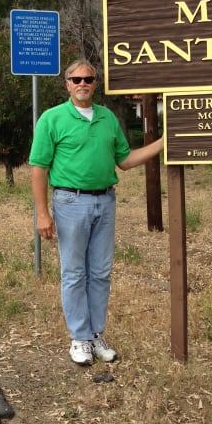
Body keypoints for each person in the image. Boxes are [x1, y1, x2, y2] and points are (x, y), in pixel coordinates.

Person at [29, 59, 164, 366]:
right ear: (67, 84)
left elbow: (126, 161)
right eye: (75, 79)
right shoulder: (52, 119)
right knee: (74, 273)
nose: (82, 84)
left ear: (95, 83)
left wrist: (164, 144)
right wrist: (42, 213)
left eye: (88, 79)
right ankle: (78, 337)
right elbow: (38, 168)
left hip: (105, 202)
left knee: (100, 273)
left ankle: (94, 335)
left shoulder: (106, 118)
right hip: (69, 203)